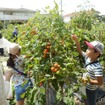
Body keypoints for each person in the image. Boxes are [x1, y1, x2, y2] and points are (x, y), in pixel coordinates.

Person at [71, 35, 104, 105]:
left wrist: (89, 81)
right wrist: (77, 41)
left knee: (91, 102)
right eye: (87, 48)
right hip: (83, 85)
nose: (86, 50)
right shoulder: (88, 58)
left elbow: (100, 82)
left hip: (91, 90)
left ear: (96, 53)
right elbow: (80, 51)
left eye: (89, 49)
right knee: (84, 99)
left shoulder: (97, 67)